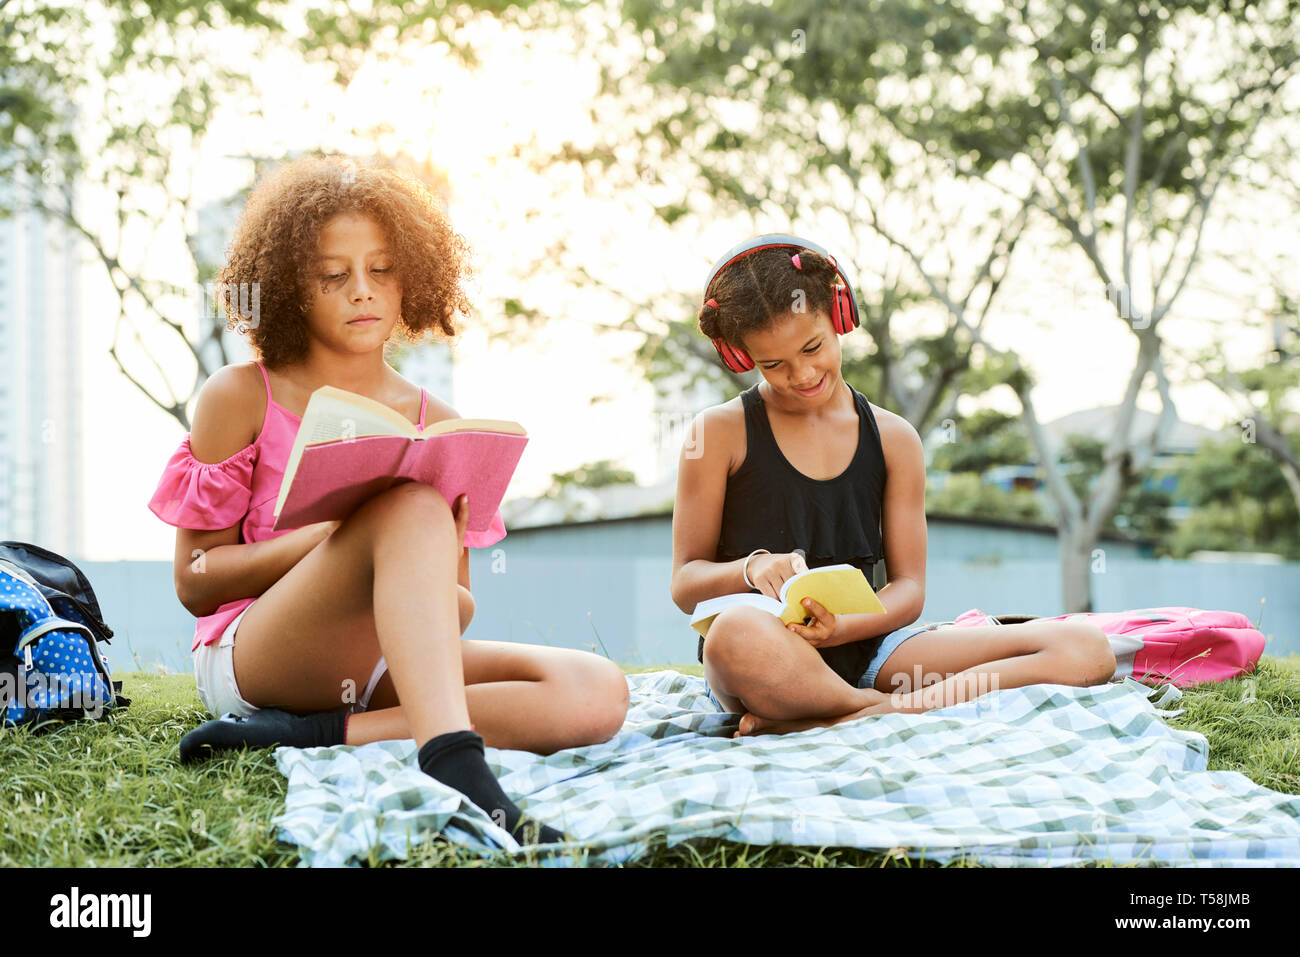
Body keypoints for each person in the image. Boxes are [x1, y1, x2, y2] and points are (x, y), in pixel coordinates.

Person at [148, 156, 628, 843]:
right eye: (333, 275)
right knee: (407, 507)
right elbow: (194, 583)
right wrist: (340, 536)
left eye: (382, 270)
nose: (361, 292)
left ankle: (320, 733)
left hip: (372, 667)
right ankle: (460, 767)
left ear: (414, 278)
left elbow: (455, 610)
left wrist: (433, 549)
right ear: (289, 285)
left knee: (596, 691)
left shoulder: (437, 419)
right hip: (254, 655)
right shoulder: (241, 394)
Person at [670, 234, 1115, 737]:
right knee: (734, 633)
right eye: (773, 365)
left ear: (840, 316)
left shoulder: (894, 438)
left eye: (813, 347)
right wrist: (751, 570)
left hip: (872, 649)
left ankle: (851, 713)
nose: (802, 373)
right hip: (764, 653)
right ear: (743, 357)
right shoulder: (716, 433)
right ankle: (869, 709)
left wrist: (843, 628)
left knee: (1084, 648)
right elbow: (686, 583)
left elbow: (908, 590)